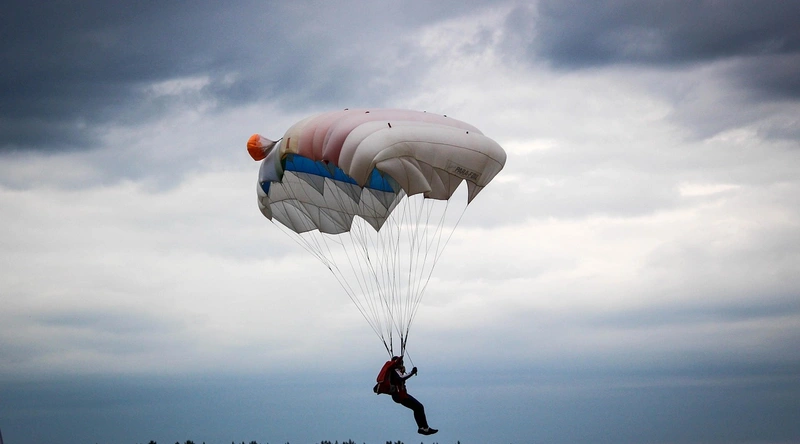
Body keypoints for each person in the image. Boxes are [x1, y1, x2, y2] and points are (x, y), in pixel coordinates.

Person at [389, 356, 438, 435]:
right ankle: (424, 428)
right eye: (401, 363)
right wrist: (412, 372)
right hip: (400, 395)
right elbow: (401, 378)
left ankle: (422, 428)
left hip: (399, 395)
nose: (402, 364)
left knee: (417, 408)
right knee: (419, 407)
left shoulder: (394, 370)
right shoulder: (395, 370)